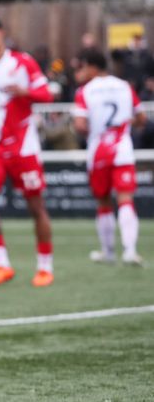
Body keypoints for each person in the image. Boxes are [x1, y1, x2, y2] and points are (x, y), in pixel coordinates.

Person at [0, 16, 55, 287]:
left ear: (1, 33)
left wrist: (24, 91)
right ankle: (1, 264)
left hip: (23, 147)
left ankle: (45, 267)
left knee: (35, 206)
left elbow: (46, 95)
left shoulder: (22, 62)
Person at [72, 49, 145, 266]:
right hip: (122, 149)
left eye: (83, 67)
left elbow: (80, 125)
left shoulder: (85, 91)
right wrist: (127, 126)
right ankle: (130, 251)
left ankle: (108, 251)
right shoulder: (124, 86)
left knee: (103, 201)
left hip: (99, 152)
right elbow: (141, 117)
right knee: (125, 199)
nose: (81, 72)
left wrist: (92, 132)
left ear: (91, 66)